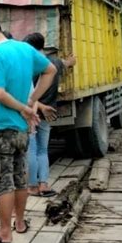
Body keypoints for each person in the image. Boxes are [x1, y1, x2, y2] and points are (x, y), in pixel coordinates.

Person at [0, 16, 57, 243]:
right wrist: (32, 100)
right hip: (21, 130)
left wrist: (24, 108)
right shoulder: (25, 49)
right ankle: (19, 223)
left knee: (2, 182)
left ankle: (4, 232)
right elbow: (50, 70)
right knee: (20, 178)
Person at [24, 33, 76, 197]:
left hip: (31, 112)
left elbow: (27, 93)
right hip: (48, 114)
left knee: (31, 150)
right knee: (42, 150)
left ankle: (32, 186)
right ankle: (44, 184)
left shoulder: (29, 64)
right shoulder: (54, 62)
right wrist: (71, 60)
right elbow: (67, 63)